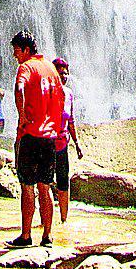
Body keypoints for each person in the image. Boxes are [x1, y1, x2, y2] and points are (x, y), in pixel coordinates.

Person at [8, 30, 64, 249]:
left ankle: (25, 236)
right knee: (45, 186)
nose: (15, 56)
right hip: (50, 136)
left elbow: (19, 87)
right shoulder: (51, 68)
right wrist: (57, 126)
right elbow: (61, 98)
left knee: (28, 186)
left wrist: (21, 116)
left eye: (16, 51)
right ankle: (48, 236)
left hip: (31, 134)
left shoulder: (26, 67)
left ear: (26, 50)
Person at [52, 57, 85, 224]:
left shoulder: (69, 94)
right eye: (60, 73)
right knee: (45, 182)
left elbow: (70, 120)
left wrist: (77, 144)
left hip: (62, 144)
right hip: (47, 142)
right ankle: (46, 222)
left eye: (65, 73)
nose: (63, 76)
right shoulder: (47, 92)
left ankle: (64, 221)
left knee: (63, 181)